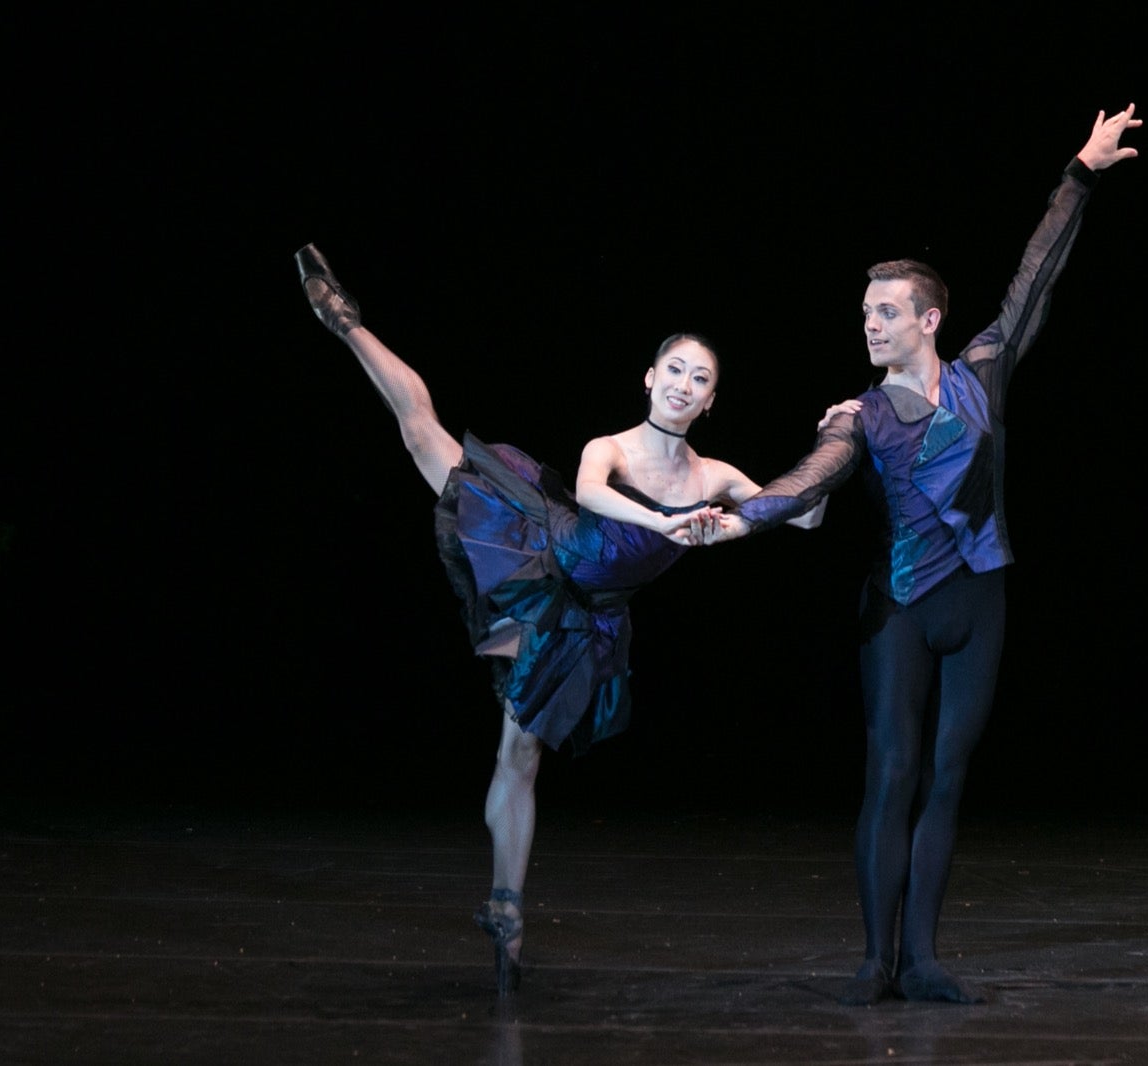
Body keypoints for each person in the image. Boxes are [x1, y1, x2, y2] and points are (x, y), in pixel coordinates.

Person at [293, 244, 826, 995]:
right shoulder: (609, 447)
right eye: (673, 370)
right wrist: (668, 526)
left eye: (699, 379)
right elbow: (592, 493)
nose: (683, 384)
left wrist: (837, 442)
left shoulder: (716, 477)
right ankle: (343, 320)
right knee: (421, 430)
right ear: (650, 378)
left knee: (520, 757)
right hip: (539, 552)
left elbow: (800, 515)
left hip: (585, 623)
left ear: (711, 401)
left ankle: (504, 908)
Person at [706, 105, 1143, 1004]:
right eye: (865, 312)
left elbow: (1034, 276)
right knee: (891, 773)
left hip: (979, 599)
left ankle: (927, 958)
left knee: (946, 777)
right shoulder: (858, 417)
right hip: (899, 606)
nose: (869, 324)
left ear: (930, 319)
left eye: (886, 312)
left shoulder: (983, 370)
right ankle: (876, 961)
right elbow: (813, 477)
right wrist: (744, 514)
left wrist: (1081, 172)